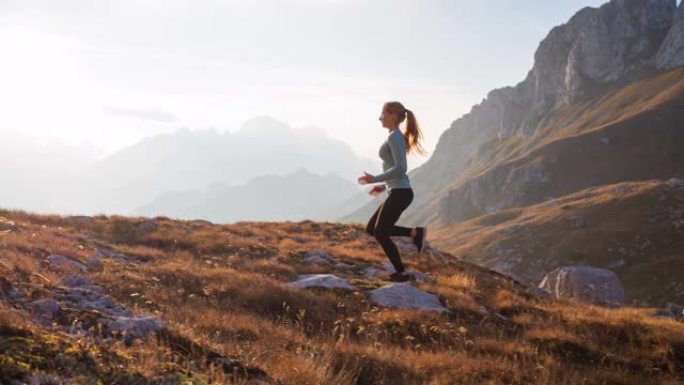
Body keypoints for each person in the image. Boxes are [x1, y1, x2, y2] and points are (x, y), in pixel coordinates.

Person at [358, 101, 427, 282]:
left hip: (401, 193)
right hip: (396, 191)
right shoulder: (393, 136)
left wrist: (375, 179)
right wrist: (381, 186)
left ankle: (401, 272)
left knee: (381, 232)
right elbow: (394, 169)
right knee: (373, 229)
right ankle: (414, 233)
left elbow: (400, 168)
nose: (380, 117)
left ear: (393, 116)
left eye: (383, 114)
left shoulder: (395, 136)